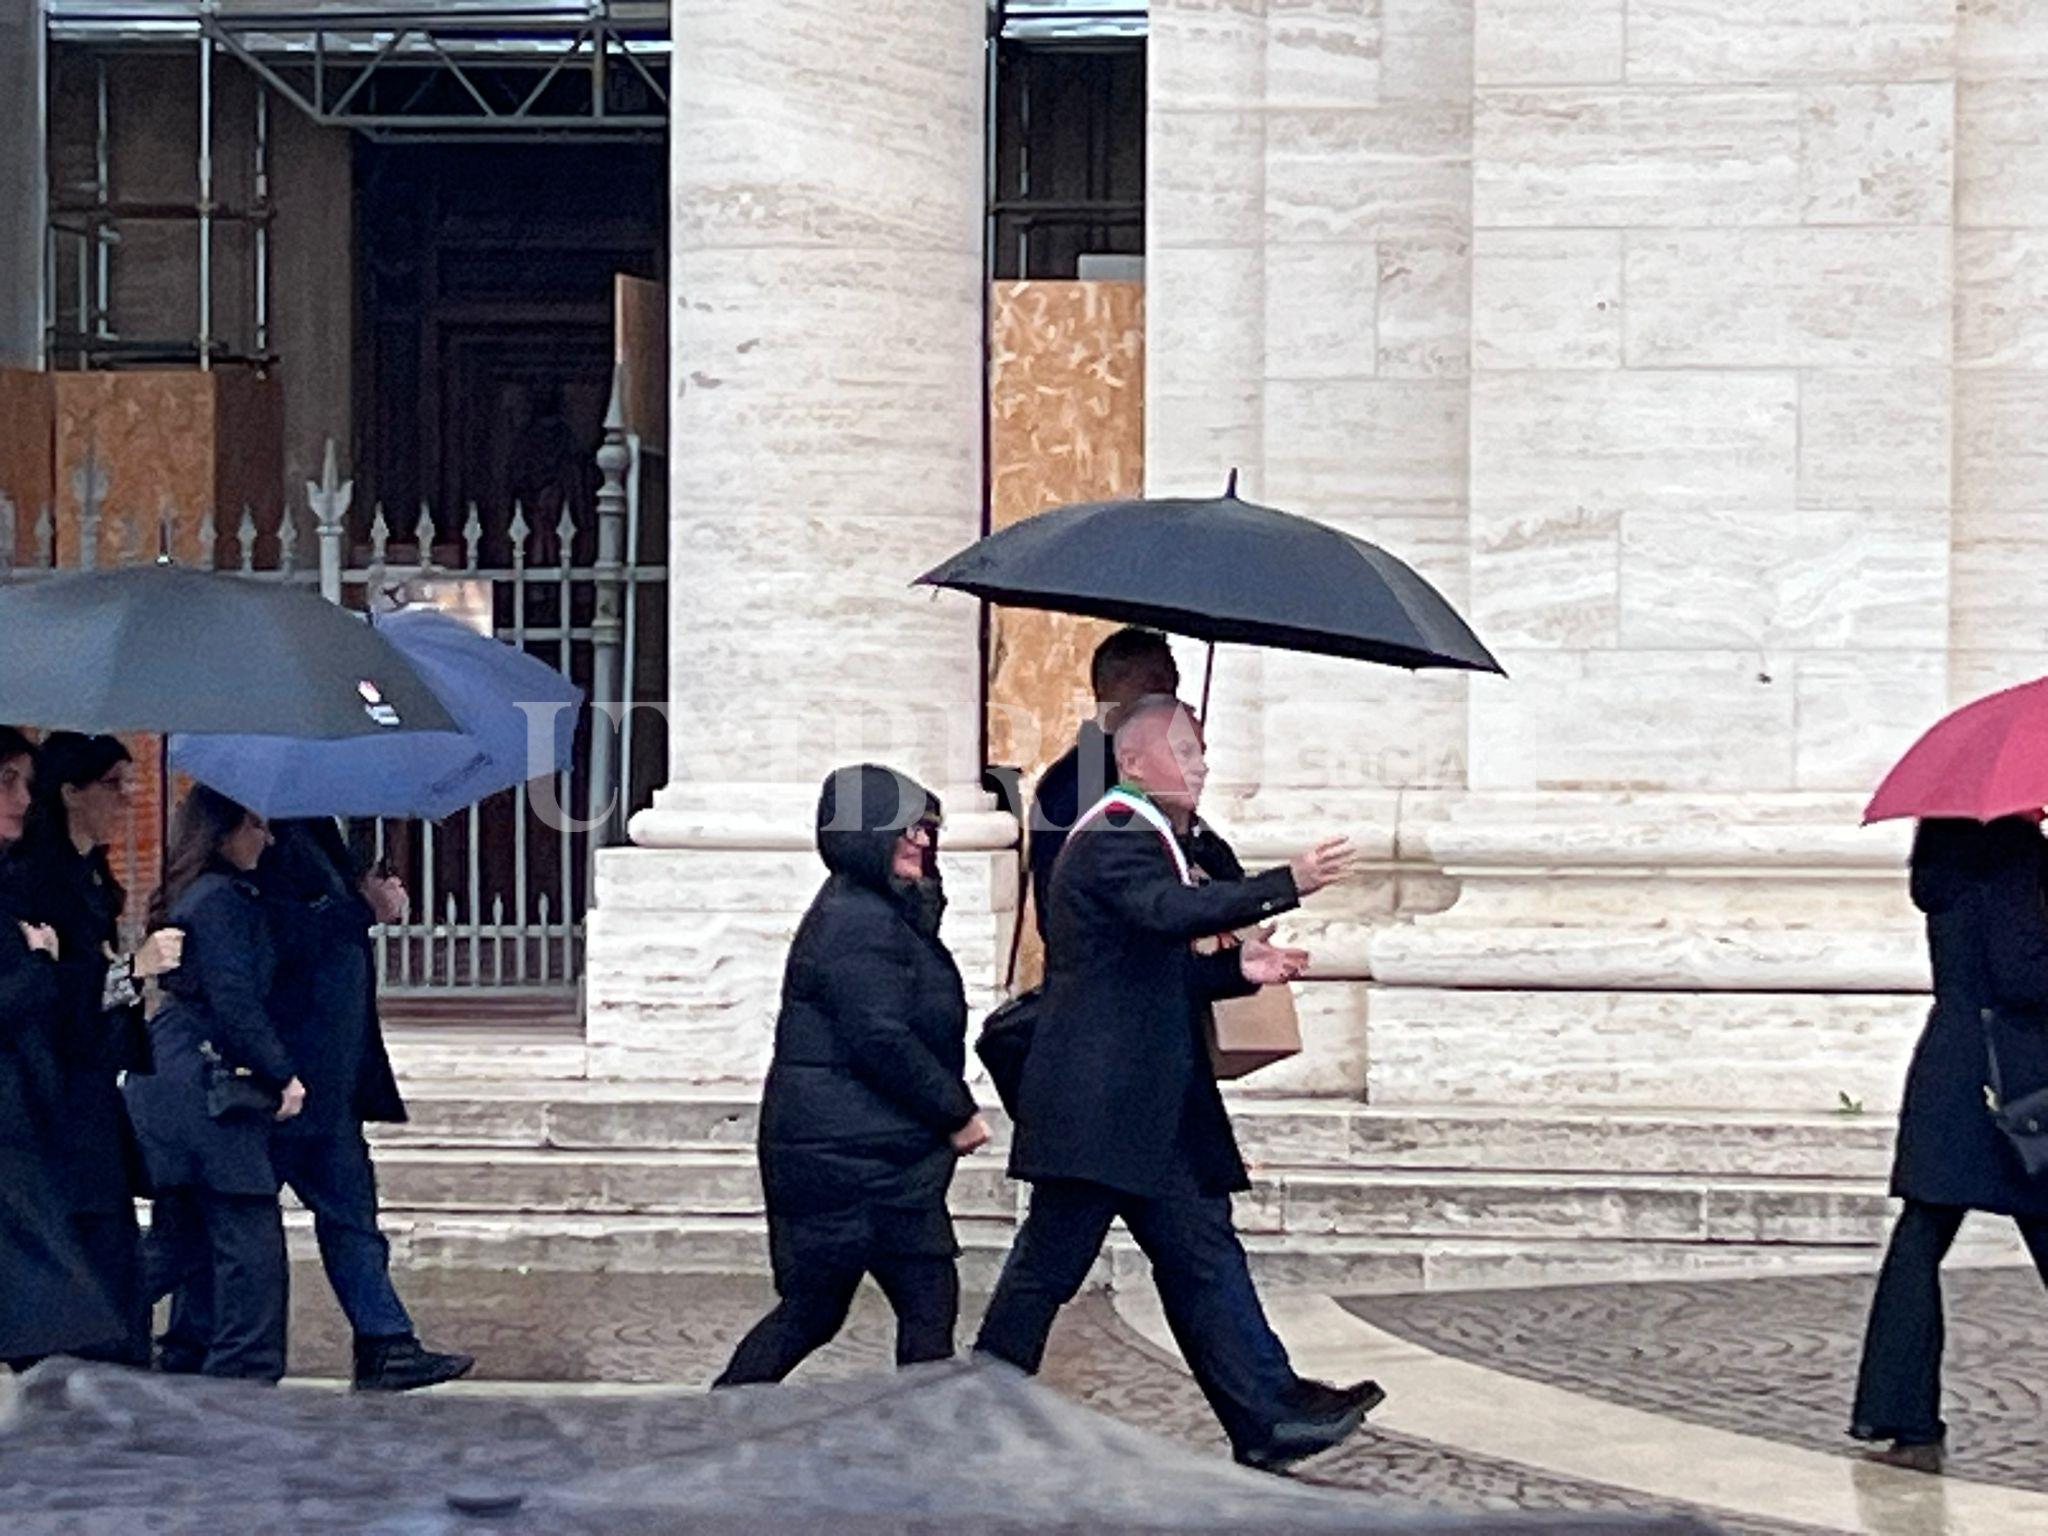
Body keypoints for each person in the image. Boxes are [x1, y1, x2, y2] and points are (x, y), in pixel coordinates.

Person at [975, 697, 1373, 1471]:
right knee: (1048, 1267)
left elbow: (1147, 968)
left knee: (1204, 1255)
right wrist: (1282, 883)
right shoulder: (1115, 835)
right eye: (1185, 750)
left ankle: (1269, 1414)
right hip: (1104, 1103)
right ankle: (977, 1402)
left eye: (1201, 751)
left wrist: (1238, 969)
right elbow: (1167, 914)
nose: (1201, 764)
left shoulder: (1154, 836)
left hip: (1151, 1106)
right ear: (1134, 762)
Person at [715, 764, 993, 1387]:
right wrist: (956, 1112)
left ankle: (725, 1415)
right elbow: (880, 1037)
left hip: (860, 1152)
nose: (922, 840)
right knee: (913, 1300)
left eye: (927, 827)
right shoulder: (857, 920)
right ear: (867, 833)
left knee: (822, 1310)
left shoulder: (874, 913)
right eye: (906, 828)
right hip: (854, 1163)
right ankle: (917, 1438)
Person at [1851, 815, 2048, 1471]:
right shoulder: (2016, 854)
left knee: (1919, 1239)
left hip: (1950, 1063)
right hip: (2016, 1076)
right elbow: (2023, 975)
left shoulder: (1940, 853)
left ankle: (1896, 1410)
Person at [253, 818, 473, 1391]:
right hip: (291, 1076)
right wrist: (362, 908)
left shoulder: (318, 833)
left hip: (327, 1079)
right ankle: (102, 1320)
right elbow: (286, 931)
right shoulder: (272, 840)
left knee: (352, 1215)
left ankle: (387, 1343)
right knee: (203, 1231)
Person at [0, 733, 182, 1367]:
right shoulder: (34, 882)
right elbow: (53, 999)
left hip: (91, 1092)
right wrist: (129, 971)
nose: (128, 801)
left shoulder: (92, 880)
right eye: (112, 785)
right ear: (71, 792)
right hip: (49, 1102)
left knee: (114, 1257)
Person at [124, 787, 305, 1382]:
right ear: (223, 830)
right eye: (256, 823)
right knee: (248, 1238)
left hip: (170, 1074)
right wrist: (282, 1073)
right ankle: (243, 1371)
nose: (267, 837)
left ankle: (93, 1330)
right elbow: (235, 999)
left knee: (181, 1239)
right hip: (207, 1085)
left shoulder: (195, 896)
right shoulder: (221, 900)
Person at [1031, 628, 1246, 936]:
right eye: (1157, 684)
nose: (1169, 697)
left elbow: (1221, 868)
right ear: (1113, 689)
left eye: (1172, 684)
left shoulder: (1148, 775)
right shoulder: (1080, 781)